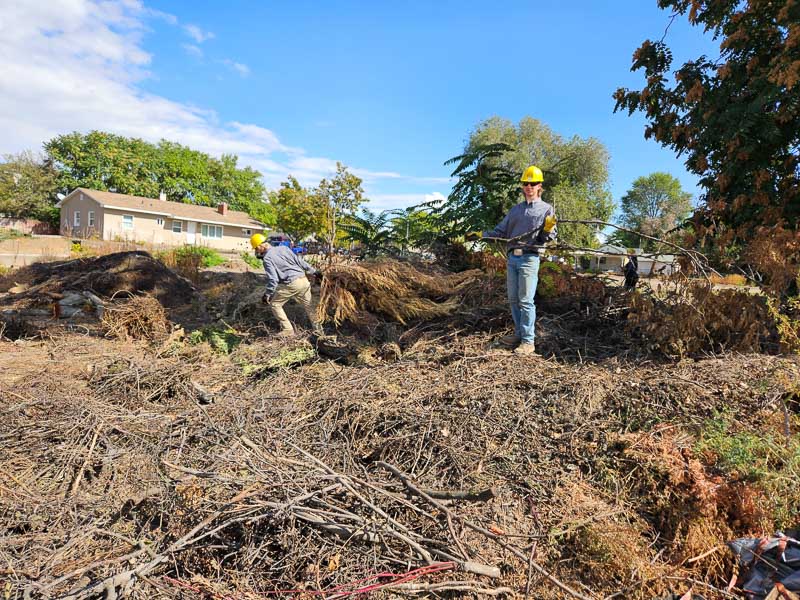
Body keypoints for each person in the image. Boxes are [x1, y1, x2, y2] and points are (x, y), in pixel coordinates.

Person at [466, 165, 557, 355]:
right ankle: (518, 333)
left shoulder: (547, 209)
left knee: (526, 300)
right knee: (514, 300)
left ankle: (528, 341)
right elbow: (500, 232)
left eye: (532, 183)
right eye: (526, 183)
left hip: (530, 258)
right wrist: (481, 234)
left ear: (540, 186)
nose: (529, 186)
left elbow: (548, 239)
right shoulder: (515, 210)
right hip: (512, 259)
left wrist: (547, 230)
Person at [250, 233, 324, 337]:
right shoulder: (284, 248)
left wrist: (267, 294)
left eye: (256, 249)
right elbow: (300, 261)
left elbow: (273, 279)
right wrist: (314, 271)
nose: (257, 252)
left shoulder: (267, 259)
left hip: (292, 284)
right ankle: (320, 332)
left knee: (275, 304)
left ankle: (288, 330)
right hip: (304, 280)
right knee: (309, 306)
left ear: (260, 246)